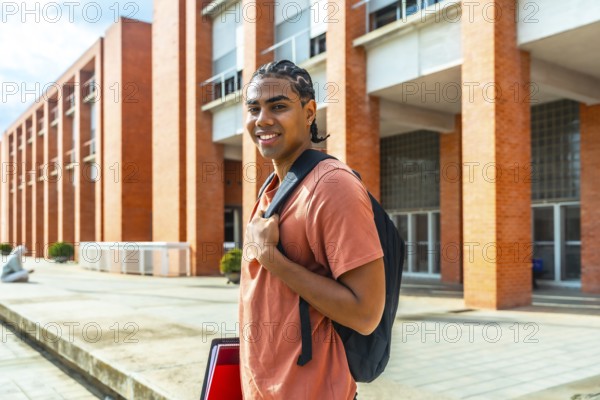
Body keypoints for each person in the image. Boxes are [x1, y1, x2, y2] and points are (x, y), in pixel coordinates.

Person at [239, 60, 385, 399]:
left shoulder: (332, 185)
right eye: (254, 108)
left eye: (278, 106)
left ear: (308, 113)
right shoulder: (272, 187)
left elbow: (366, 314)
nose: (262, 119)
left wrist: (271, 258)